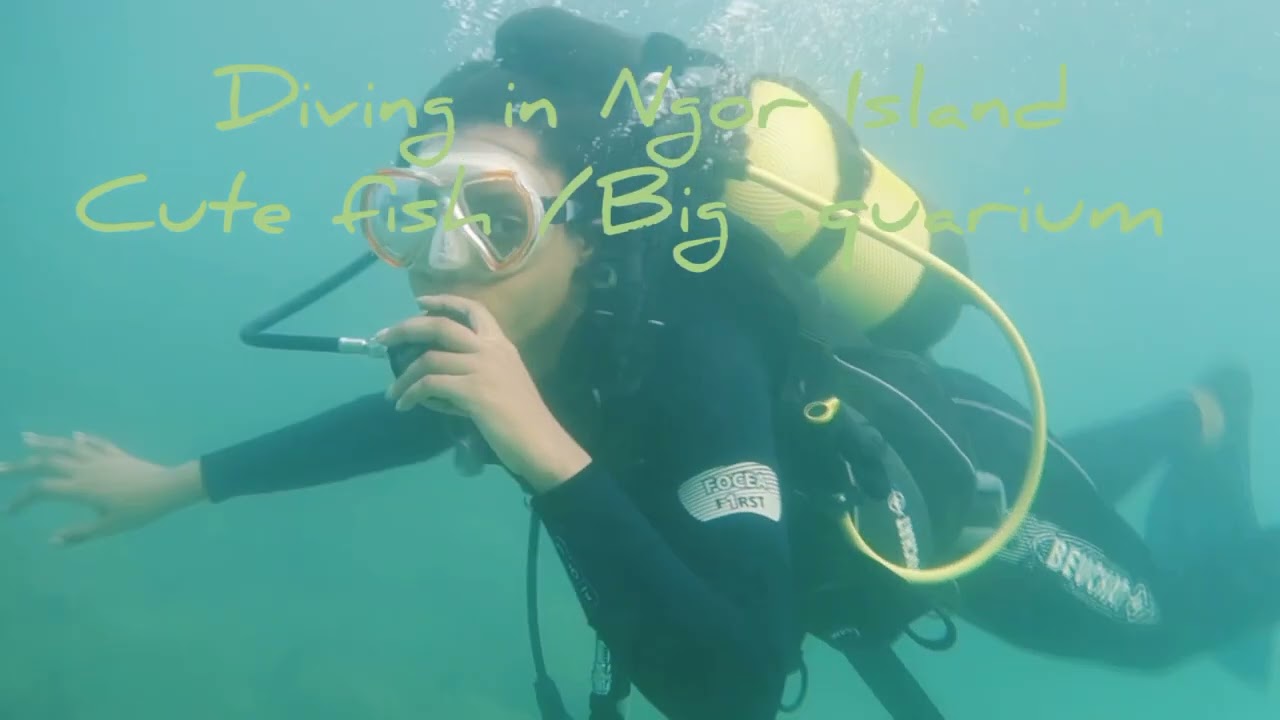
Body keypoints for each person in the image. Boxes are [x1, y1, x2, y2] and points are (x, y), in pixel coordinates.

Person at [3, 8, 1276, 720]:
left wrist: (546, 451)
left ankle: (1190, 433)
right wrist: (180, 480)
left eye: (490, 217)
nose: (441, 260)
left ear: (581, 225)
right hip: (867, 478)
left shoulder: (689, 343)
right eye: (407, 215)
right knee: (1099, 490)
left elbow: (731, 687)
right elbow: (400, 417)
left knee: (1171, 631)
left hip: (963, 501)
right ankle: (1186, 420)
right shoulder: (513, 338)